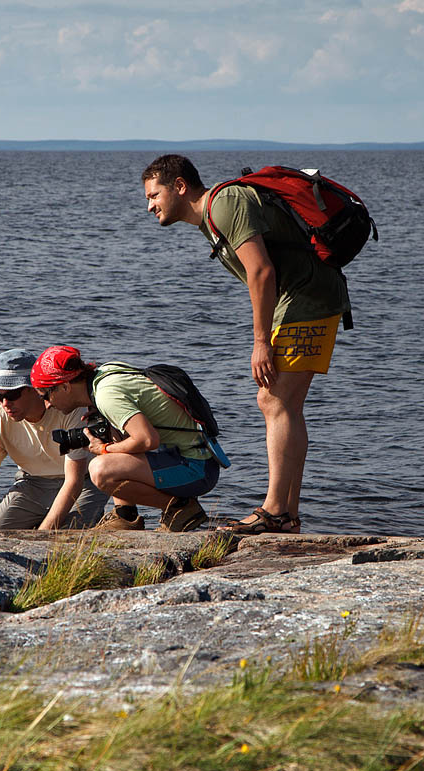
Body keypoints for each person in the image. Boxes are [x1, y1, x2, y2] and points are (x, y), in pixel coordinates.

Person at [141, 154, 351, 534]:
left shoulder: (225, 203)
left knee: (274, 399)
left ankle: (274, 510)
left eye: (154, 194)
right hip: (308, 298)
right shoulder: (212, 218)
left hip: (308, 298)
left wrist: (260, 342)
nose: (150, 205)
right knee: (281, 401)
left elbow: (261, 271)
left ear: (181, 187)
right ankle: (287, 514)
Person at [30, 345, 219, 532]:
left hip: (197, 469)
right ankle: (125, 515)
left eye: (45, 396)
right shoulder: (105, 374)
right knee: (108, 436)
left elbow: (147, 440)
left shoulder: (106, 396)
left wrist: (103, 449)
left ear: (65, 386)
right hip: (197, 458)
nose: (46, 405)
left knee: (100, 469)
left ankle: (181, 509)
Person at [0, 349, 108, 531]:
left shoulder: (68, 408)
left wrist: (44, 532)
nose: (5, 403)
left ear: (35, 388)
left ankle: (99, 518)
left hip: (84, 483)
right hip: (33, 484)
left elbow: (74, 481)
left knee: (64, 538)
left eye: (13, 395)